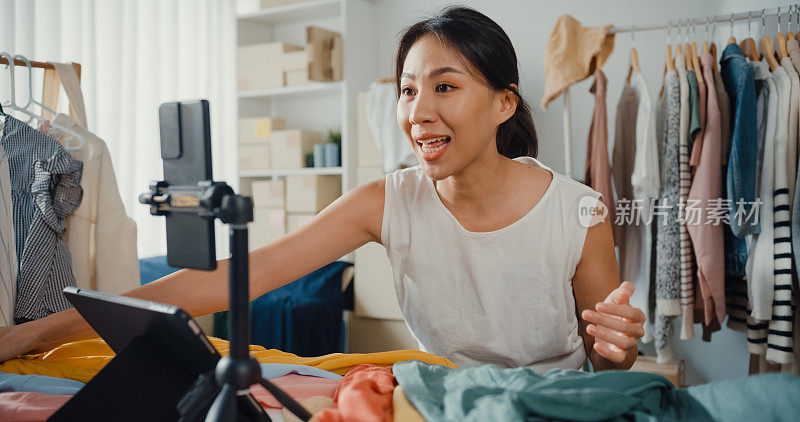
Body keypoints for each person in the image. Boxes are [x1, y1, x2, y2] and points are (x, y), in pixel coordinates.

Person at [0, 6, 645, 371]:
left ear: (505, 104)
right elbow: (226, 280)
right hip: (443, 402)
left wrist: (617, 348)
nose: (418, 111)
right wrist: (35, 334)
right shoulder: (387, 201)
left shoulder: (575, 211)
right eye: (408, 90)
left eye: (445, 86)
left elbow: (607, 366)